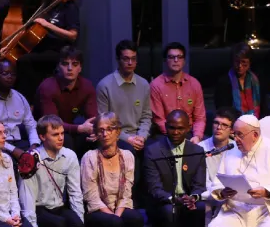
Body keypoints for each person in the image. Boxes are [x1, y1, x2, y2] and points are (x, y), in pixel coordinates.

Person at [18, 115, 95, 227]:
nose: (61, 137)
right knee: (60, 224)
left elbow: (75, 191)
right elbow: (26, 195)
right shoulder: (31, 159)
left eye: (62, 133)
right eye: (55, 134)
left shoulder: (69, 156)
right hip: (40, 208)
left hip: (59, 206)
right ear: (42, 137)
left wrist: (80, 219)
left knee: (77, 224)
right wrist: (33, 226)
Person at [81, 112, 144, 227]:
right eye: (101, 130)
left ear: (118, 132)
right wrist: (114, 217)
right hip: (96, 210)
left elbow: (126, 192)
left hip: (119, 207)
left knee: (135, 219)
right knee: (113, 223)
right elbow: (90, 195)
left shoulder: (128, 156)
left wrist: (118, 214)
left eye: (110, 129)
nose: (105, 133)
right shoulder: (90, 158)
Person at [144, 109, 206, 227]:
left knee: (200, 209)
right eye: (172, 128)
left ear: (188, 128)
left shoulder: (196, 151)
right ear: (165, 127)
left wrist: (193, 198)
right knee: (170, 213)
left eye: (180, 128)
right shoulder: (153, 151)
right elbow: (154, 187)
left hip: (187, 199)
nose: (176, 132)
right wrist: (173, 199)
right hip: (164, 201)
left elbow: (199, 185)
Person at [96, 40, 151, 198]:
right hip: (115, 137)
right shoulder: (105, 85)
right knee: (130, 152)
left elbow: (147, 116)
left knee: (157, 151)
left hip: (139, 136)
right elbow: (103, 122)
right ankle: (129, 200)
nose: (130, 62)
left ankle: (151, 202)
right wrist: (128, 138)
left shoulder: (143, 84)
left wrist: (141, 136)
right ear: (118, 60)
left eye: (133, 59)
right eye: (126, 59)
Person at [14, 0, 80, 98]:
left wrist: (48, 25)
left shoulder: (69, 6)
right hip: (40, 47)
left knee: (24, 61)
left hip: (58, 50)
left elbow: (73, 35)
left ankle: (31, 101)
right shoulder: (45, 4)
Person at [36, 46, 97, 155]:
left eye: (74, 64)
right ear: (58, 66)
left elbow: (92, 117)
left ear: (80, 68)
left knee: (94, 137)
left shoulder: (87, 86)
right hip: (46, 130)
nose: (70, 68)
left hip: (69, 126)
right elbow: (52, 124)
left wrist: (94, 129)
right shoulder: (48, 87)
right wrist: (79, 128)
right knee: (64, 139)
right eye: (65, 64)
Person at [0, 59, 40, 160]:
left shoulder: (19, 97)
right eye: (5, 73)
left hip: (20, 142)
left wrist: (34, 145)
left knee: (44, 156)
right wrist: (13, 150)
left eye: (13, 74)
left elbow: (31, 124)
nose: (10, 77)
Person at [149, 42, 207, 144]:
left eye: (179, 57)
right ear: (165, 60)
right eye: (171, 57)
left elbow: (200, 117)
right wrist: (177, 136)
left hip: (190, 133)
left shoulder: (194, 84)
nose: (176, 60)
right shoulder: (156, 85)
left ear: (184, 61)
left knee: (209, 147)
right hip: (166, 134)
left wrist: (197, 136)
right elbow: (159, 120)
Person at [198, 107, 237, 199]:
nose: (219, 128)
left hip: (233, 195)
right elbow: (203, 182)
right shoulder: (200, 148)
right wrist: (219, 193)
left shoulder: (236, 148)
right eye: (216, 123)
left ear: (231, 130)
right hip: (209, 196)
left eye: (224, 125)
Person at [214, 42, 261, 117]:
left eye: (243, 62)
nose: (240, 66)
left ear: (250, 62)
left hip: (255, 123)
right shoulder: (224, 82)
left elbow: (263, 108)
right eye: (237, 62)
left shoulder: (256, 80)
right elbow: (222, 111)